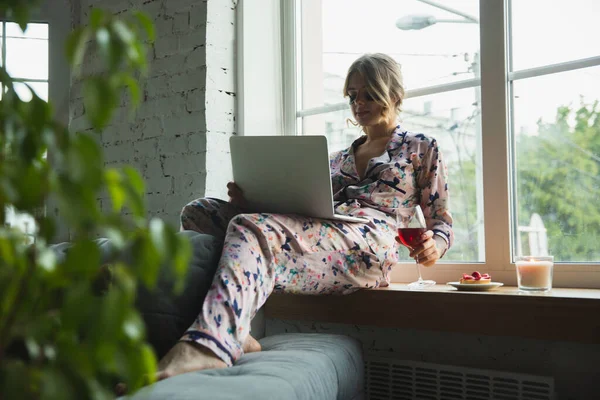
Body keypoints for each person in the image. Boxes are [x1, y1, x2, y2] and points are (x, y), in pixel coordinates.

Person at [157, 53, 453, 379]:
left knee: (247, 225)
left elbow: (440, 220)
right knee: (200, 213)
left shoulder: (420, 147)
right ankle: (232, 329)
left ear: (394, 94)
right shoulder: (336, 158)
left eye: (369, 94)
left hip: (371, 246)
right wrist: (252, 201)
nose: (359, 103)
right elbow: (306, 210)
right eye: (353, 96)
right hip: (327, 233)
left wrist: (434, 246)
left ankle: (208, 345)